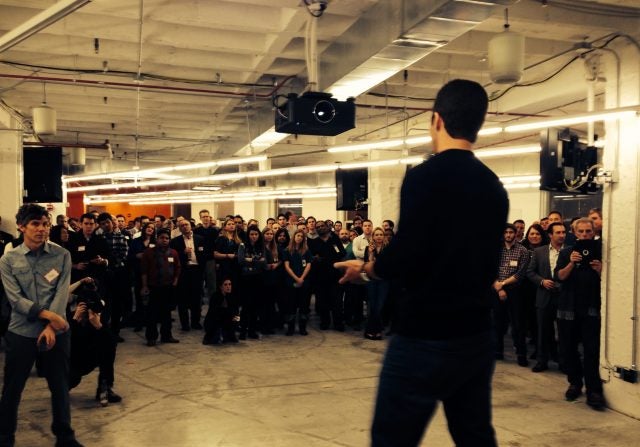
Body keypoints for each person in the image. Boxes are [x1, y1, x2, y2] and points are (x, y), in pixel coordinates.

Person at [335, 79, 508, 446]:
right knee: (475, 436)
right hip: (476, 334)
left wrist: (366, 270)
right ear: (478, 124)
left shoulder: (423, 177)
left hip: (424, 333)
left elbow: (407, 252)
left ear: (436, 120)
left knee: (392, 438)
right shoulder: (494, 186)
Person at [0, 204, 84, 447]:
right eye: (35, 224)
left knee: (60, 386)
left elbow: (61, 292)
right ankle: (5, 437)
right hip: (21, 333)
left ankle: (65, 437)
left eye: (45, 224)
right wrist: (50, 316)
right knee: (12, 388)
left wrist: (51, 326)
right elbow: (15, 299)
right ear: (21, 227)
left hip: (56, 332)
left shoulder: (62, 255)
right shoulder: (8, 259)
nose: (42, 229)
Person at [555, 218, 604, 410]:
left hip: (590, 308)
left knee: (592, 350)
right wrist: (571, 263)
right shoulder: (566, 252)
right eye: (581, 231)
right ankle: (575, 383)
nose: (584, 235)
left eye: (588, 231)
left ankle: (594, 390)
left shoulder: (600, 251)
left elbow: (609, 281)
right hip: (568, 308)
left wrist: (600, 270)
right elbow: (559, 277)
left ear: (594, 232)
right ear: (574, 233)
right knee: (568, 349)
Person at [67, 277, 122, 407]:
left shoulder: (97, 307)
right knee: (72, 380)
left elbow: (110, 341)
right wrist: (75, 320)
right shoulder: (69, 308)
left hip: (91, 354)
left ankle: (105, 387)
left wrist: (98, 326)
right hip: (73, 358)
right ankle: (61, 386)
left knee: (109, 344)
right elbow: (64, 340)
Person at [526, 222, 565, 373]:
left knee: (564, 332)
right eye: (558, 232)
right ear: (550, 235)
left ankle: (563, 362)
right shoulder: (539, 251)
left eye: (563, 232)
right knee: (542, 331)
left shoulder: (570, 251)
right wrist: (542, 281)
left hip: (563, 298)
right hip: (544, 296)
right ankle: (542, 361)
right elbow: (530, 272)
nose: (562, 235)